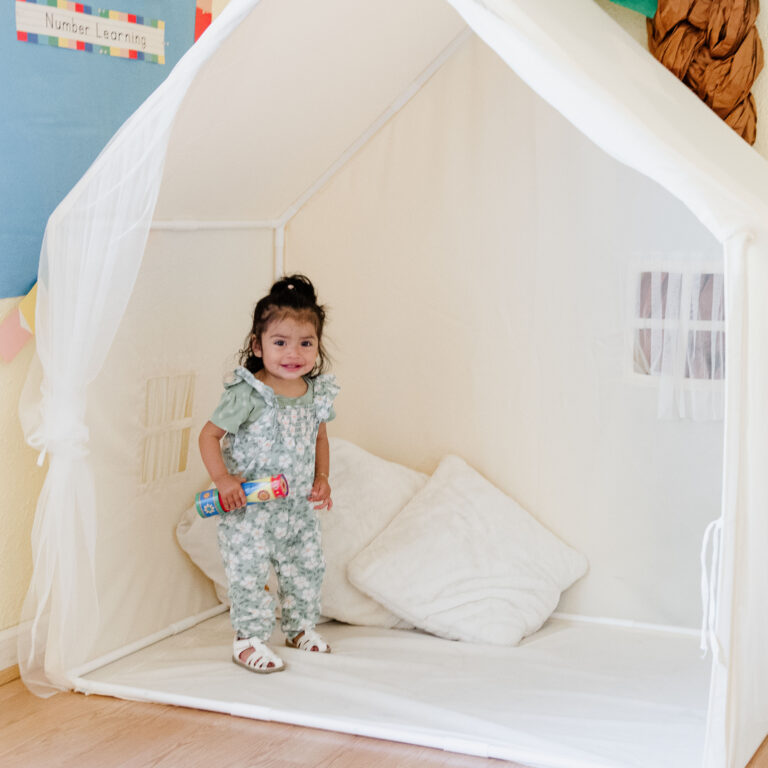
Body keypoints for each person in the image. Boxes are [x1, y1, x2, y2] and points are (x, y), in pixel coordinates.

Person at [199, 274, 339, 674]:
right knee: (250, 574)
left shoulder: (315, 394)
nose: (293, 352)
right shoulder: (248, 394)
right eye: (280, 342)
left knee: (306, 568)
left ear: (316, 346)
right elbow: (209, 437)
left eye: (305, 343)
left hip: (296, 509)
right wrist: (224, 481)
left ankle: (299, 627)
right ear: (258, 346)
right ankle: (248, 639)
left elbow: (320, 438)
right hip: (250, 511)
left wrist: (322, 477)